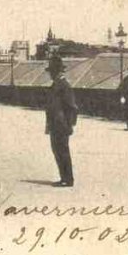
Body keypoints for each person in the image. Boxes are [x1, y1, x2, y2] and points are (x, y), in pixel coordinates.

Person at [45, 54, 78, 187]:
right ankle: (63, 177)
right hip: (55, 123)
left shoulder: (64, 85)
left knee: (62, 151)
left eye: (52, 71)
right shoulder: (57, 84)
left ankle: (68, 179)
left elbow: (72, 107)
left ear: (57, 71)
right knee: (57, 150)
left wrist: (70, 125)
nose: (50, 74)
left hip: (62, 124)